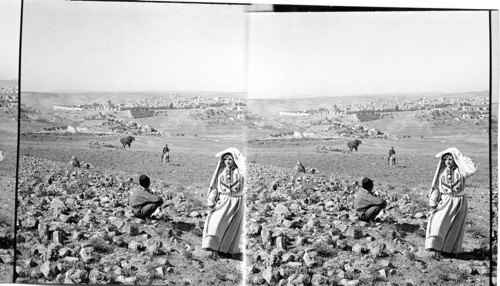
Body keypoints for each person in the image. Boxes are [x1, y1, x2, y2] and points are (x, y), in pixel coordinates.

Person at [425, 147, 477, 257]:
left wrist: (460, 156)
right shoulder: (441, 173)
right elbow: (436, 188)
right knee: (438, 222)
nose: (448, 162)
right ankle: (434, 246)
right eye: (446, 159)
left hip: (459, 201)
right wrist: (433, 201)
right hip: (446, 201)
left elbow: (472, 169)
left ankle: (450, 250)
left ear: (455, 160)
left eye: (450, 159)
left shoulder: (462, 172)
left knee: (455, 226)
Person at [202, 147, 245, 257]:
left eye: (230, 159)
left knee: (232, 227)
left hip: (237, 202)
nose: (227, 161)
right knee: (215, 221)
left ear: (234, 160)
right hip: (224, 201)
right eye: (225, 159)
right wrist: (211, 200)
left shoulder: (241, 173)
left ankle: (226, 249)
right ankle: (211, 245)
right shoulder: (220, 173)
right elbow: (215, 187)